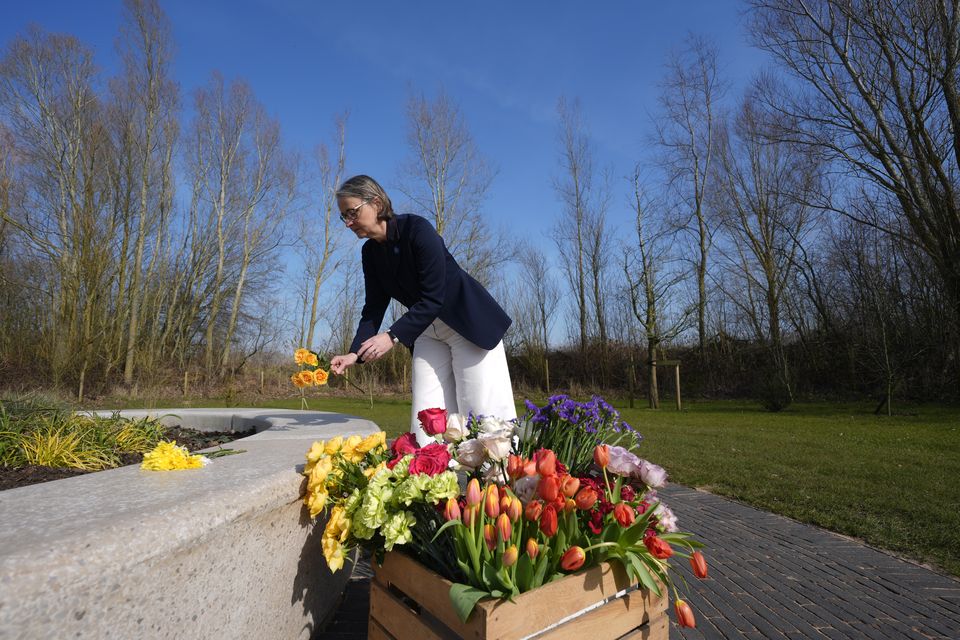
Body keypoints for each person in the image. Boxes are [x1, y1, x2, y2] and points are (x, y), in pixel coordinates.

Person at [329, 175, 516, 445]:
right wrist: (353, 353)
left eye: (352, 212)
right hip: (425, 329)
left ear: (377, 203)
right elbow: (373, 307)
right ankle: (430, 483)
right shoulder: (370, 253)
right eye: (343, 216)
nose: (348, 222)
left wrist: (391, 336)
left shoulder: (417, 228)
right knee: (426, 417)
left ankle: (497, 483)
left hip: (467, 323)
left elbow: (434, 297)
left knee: (482, 414)